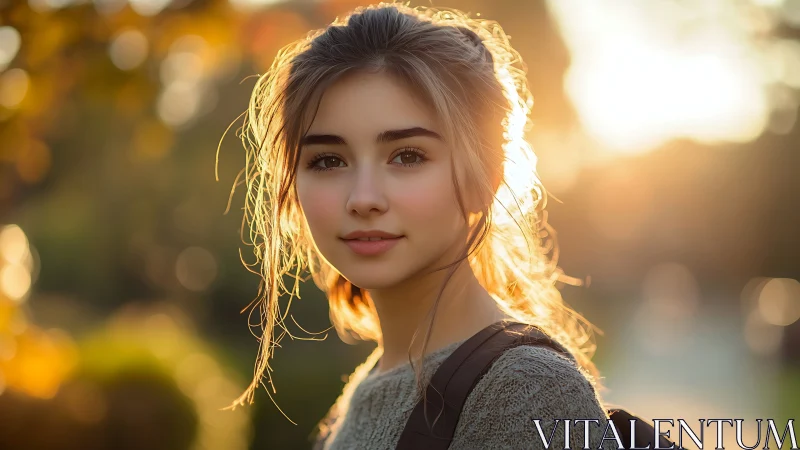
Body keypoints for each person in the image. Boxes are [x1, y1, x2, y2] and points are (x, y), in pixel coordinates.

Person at [225, 3, 616, 449]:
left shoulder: (527, 391)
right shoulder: (369, 383)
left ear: (485, 177)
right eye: (328, 160)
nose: (364, 198)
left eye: (407, 155)